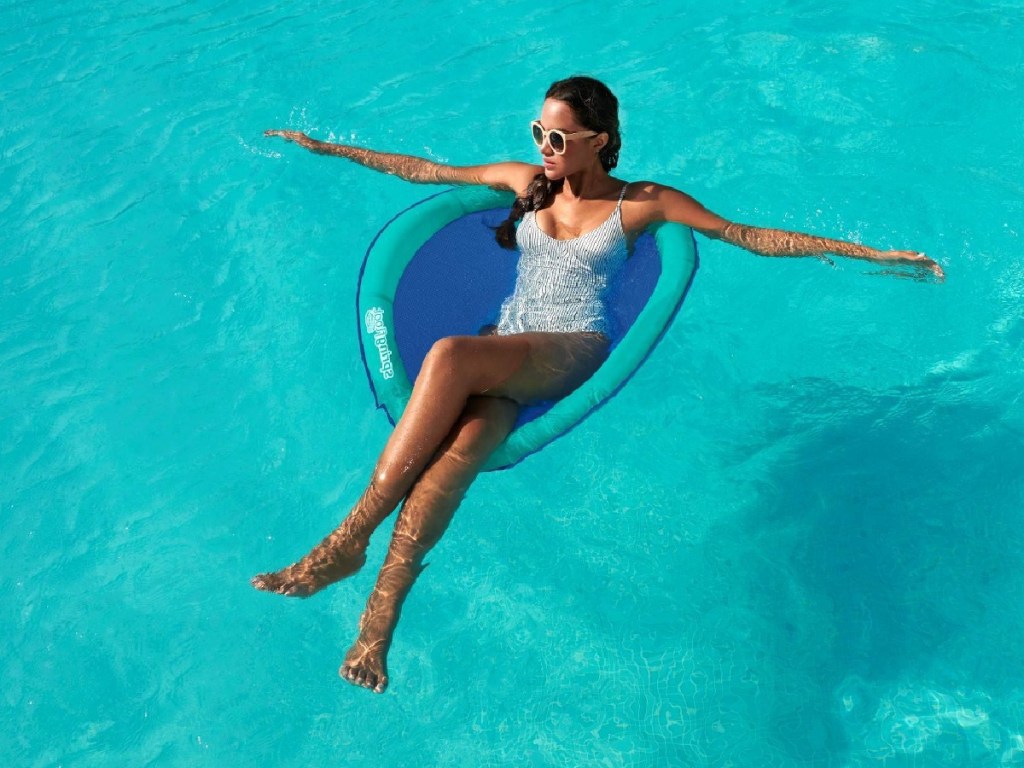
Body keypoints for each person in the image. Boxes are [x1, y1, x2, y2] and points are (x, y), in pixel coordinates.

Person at [252, 76, 944, 694]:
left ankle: (345, 539)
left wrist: (873, 256)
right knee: (453, 461)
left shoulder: (640, 204)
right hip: (509, 349)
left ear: (600, 141)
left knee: (449, 355)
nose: (544, 145)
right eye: (538, 132)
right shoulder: (527, 182)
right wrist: (325, 147)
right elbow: (427, 170)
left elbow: (747, 234)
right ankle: (377, 627)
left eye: (559, 136)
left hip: (571, 349)